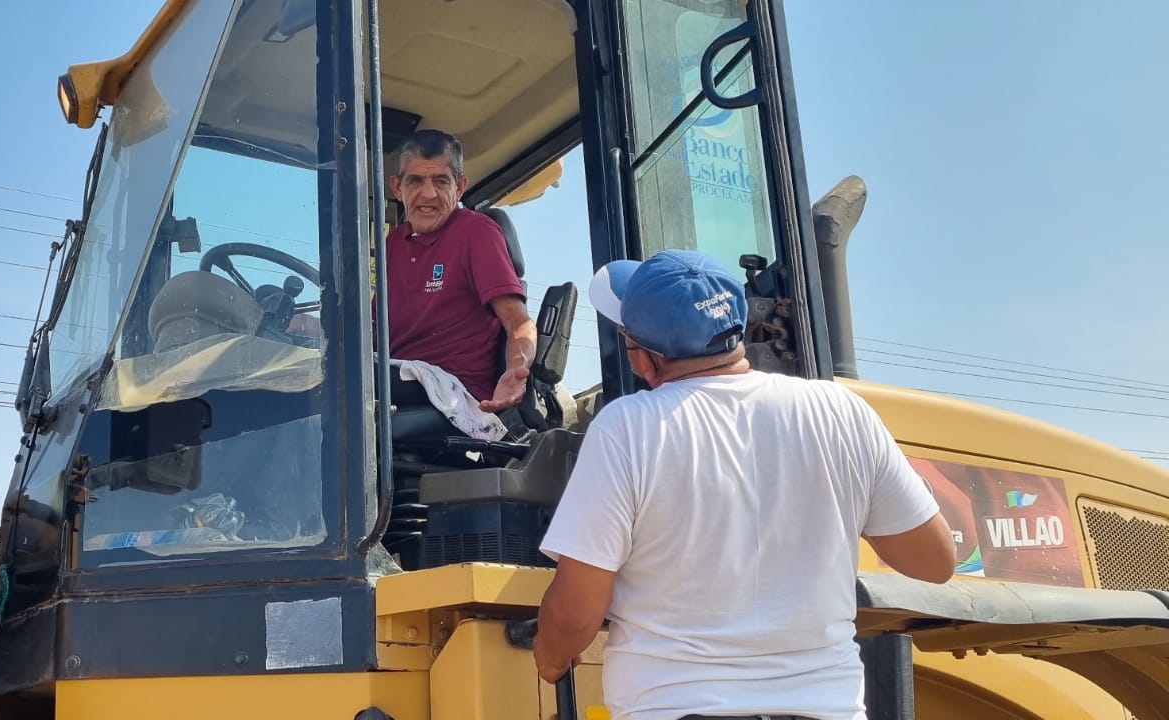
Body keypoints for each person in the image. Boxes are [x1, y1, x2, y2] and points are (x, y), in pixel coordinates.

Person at [530, 249, 955, 720]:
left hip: (678, 707)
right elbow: (934, 561)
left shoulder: (628, 428)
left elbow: (576, 614)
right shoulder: (842, 411)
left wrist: (550, 656)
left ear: (643, 357)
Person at [381, 128, 536, 413]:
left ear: (460, 187)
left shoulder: (476, 232)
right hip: (397, 379)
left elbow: (518, 321)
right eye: (415, 181)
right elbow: (369, 329)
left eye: (441, 181)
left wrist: (516, 368)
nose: (428, 194)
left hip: (453, 391)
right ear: (397, 188)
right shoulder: (392, 244)